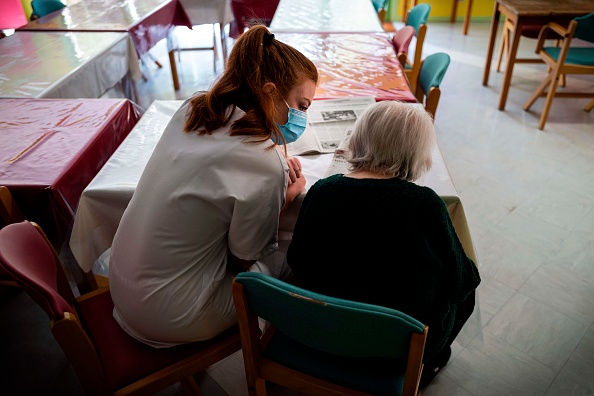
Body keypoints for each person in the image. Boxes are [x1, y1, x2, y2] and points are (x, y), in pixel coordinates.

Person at [108, 25, 318, 348]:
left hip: (121, 285)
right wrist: (285, 197)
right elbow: (242, 259)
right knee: (294, 249)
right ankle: (292, 357)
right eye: (301, 106)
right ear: (269, 91)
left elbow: (225, 163)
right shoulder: (263, 164)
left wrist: (270, 169)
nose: (303, 116)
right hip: (169, 314)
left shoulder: (195, 109)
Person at [286, 100, 481, 387]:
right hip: (395, 348)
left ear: (359, 139)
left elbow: (297, 261)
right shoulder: (426, 202)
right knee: (465, 289)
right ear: (417, 152)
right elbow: (462, 280)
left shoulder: (322, 190)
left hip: (323, 332)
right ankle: (424, 366)